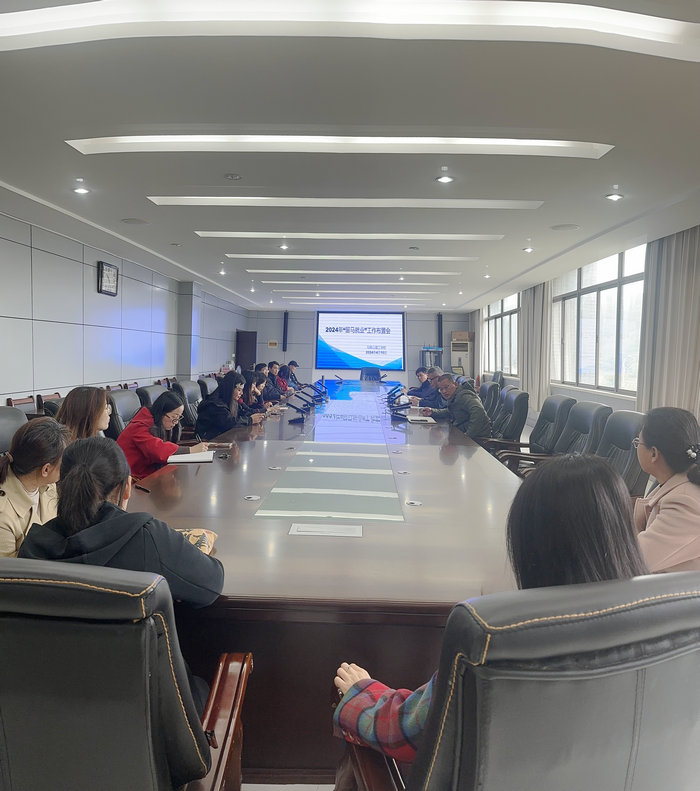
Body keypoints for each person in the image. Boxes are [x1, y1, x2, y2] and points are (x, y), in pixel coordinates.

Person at [333, 455, 647, 764]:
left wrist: (363, 694)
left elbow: (409, 731)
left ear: (530, 546)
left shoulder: (497, 640)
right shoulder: (661, 627)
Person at [18, 436, 225, 713]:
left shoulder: (32, 548)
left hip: (50, 715)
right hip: (151, 717)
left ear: (59, 486)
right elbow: (211, 583)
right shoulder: (147, 537)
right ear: (127, 487)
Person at [634, 407, 700, 572]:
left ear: (654, 453)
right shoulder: (674, 481)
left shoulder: (685, 502)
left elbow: (636, 560)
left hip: (673, 587)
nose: (636, 447)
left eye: (638, 443)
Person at [0, 417, 71, 557]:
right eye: (63, 464)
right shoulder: (3, 515)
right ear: (46, 469)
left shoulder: (47, 486)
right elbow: (8, 569)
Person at [117, 391, 208, 479]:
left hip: (149, 472)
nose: (176, 422)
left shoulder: (157, 422)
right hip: (131, 478)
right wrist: (190, 450)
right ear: (162, 413)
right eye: (174, 417)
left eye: (179, 417)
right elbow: (157, 449)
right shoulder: (139, 426)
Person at [195, 371, 264, 440]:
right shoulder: (215, 404)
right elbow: (229, 423)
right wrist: (250, 420)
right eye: (239, 390)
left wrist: (256, 416)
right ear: (230, 389)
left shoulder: (231, 400)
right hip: (210, 441)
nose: (242, 393)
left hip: (224, 438)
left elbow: (242, 412)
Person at [421, 374, 491, 439]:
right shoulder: (454, 396)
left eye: (446, 387)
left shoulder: (464, 396)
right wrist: (432, 412)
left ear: (455, 384)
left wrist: (467, 436)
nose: (444, 391)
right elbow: (450, 411)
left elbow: (479, 413)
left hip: (478, 438)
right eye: (441, 389)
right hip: (462, 432)